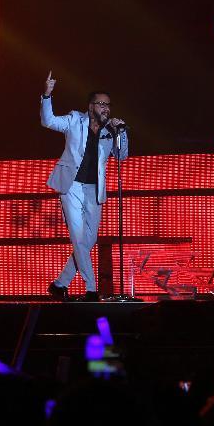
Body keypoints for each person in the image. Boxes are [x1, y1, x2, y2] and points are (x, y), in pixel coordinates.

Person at [40, 72, 128, 302]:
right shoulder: (74, 120)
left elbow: (122, 156)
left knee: (89, 241)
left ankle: (60, 284)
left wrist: (122, 132)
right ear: (90, 107)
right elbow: (48, 121)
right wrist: (47, 95)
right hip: (71, 187)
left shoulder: (110, 131)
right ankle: (91, 288)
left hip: (93, 190)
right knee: (79, 238)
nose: (106, 108)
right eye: (101, 104)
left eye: (108, 104)